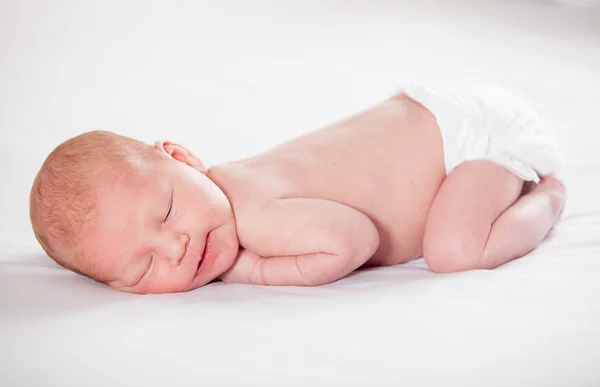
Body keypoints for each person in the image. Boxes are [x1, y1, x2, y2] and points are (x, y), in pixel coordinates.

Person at [29, 85, 565, 294]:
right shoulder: (226, 192)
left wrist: (258, 269)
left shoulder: (255, 212)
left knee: (453, 252)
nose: (177, 248)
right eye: (144, 267)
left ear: (184, 160)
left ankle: (546, 198)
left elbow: (351, 239)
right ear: (121, 288)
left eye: (167, 212)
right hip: (428, 118)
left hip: (466, 143)